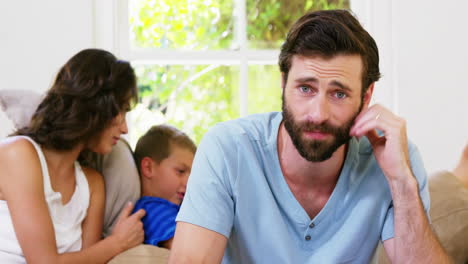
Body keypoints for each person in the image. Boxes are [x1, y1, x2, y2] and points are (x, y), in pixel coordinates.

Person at [169, 10, 451, 263]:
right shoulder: (228, 149)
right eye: (306, 88)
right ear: (283, 83)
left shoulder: (394, 158)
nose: (318, 114)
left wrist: (401, 180)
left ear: (366, 98)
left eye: (339, 93)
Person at [0, 49, 146, 263]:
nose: (124, 128)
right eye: (121, 111)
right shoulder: (18, 154)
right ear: (96, 106)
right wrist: (117, 243)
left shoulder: (93, 185)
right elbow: (44, 262)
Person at [132, 125, 196, 249]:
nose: (189, 182)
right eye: (181, 171)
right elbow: (186, 247)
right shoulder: (152, 210)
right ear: (148, 168)